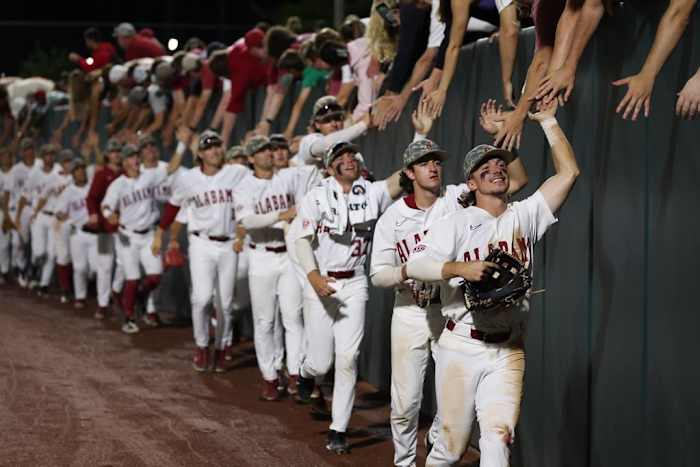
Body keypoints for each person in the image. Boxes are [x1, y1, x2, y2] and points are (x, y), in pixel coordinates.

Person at [405, 100, 579, 466]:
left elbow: (568, 174)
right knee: (450, 450)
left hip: (509, 349)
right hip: (461, 346)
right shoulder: (456, 222)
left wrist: (548, 121)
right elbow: (416, 264)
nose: (497, 169)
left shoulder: (525, 215)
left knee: (499, 440)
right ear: (471, 182)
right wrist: (458, 269)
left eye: (501, 165)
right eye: (486, 168)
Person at [370, 98, 528, 467]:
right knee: (406, 401)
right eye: (426, 163)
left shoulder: (457, 198)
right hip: (410, 310)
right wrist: (408, 271)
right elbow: (378, 275)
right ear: (409, 172)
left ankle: (440, 447)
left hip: (450, 312)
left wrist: (501, 140)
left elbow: (517, 181)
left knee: (450, 404)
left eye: (437, 162)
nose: (434, 168)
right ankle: (405, 462)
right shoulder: (392, 219)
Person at [292, 139, 403, 454]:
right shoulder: (316, 196)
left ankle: (338, 429)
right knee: (319, 362)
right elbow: (302, 239)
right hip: (321, 281)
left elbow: (400, 179)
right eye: (340, 156)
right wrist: (313, 276)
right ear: (329, 167)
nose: (348, 158)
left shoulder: (370, 191)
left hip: (354, 284)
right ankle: (305, 372)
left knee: (348, 359)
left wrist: (420, 137)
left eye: (351, 154)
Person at [154, 130, 251, 370]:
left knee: (226, 303)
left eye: (217, 145)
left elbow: (263, 180)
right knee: (202, 298)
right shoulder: (188, 179)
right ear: (199, 154)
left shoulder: (236, 173)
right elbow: (173, 207)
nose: (215, 150)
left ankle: (220, 348)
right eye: (208, 147)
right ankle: (201, 345)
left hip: (230, 243)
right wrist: (163, 234)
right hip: (201, 242)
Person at [236, 135, 320, 400]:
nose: (267, 153)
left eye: (269, 149)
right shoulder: (244, 186)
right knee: (265, 321)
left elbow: (313, 167)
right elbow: (246, 220)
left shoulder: (288, 176)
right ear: (251, 158)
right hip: (260, 256)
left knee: (293, 316)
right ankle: (270, 376)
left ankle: (294, 373)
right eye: (260, 150)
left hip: (287, 256)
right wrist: (280, 216)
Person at [101, 140, 184, 334]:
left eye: (136, 156)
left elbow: (171, 168)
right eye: (130, 157)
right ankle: (129, 317)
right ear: (124, 163)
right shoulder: (118, 184)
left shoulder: (149, 176)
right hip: (127, 237)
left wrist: (181, 145)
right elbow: (106, 205)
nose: (135, 159)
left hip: (148, 235)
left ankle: (139, 297)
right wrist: (108, 215)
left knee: (155, 276)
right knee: (132, 277)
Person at [86, 138, 124, 319]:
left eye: (119, 151)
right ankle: (102, 304)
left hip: (125, 226)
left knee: (124, 264)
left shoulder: (127, 173)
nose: (116, 154)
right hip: (104, 227)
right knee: (105, 266)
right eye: (113, 151)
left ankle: (116, 292)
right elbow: (91, 198)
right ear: (108, 155)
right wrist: (93, 213)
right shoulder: (102, 174)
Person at [29, 148, 74, 300]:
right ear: (62, 163)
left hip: (57, 220)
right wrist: (35, 213)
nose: (69, 164)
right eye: (66, 161)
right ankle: (34, 267)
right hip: (42, 216)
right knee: (39, 252)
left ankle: (44, 284)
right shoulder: (53, 178)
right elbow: (43, 197)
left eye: (70, 161)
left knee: (52, 253)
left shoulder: (75, 178)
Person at [55, 157, 95, 309]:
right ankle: (80, 296)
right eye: (77, 170)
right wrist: (62, 216)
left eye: (82, 169)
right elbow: (58, 211)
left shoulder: (92, 186)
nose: (81, 172)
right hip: (78, 232)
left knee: (95, 268)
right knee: (79, 267)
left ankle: (97, 292)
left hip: (96, 233)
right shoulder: (68, 191)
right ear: (72, 173)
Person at [294, 95, 372, 166]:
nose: (334, 124)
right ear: (317, 124)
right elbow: (326, 145)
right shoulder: (309, 140)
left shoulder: (349, 143)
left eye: (337, 119)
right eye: (327, 120)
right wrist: (363, 124)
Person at [2, 138, 39, 286]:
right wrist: (6, 215)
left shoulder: (40, 165)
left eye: (30, 148)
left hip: (37, 208)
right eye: (25, 149)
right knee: (18, 242)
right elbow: (7, 193)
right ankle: (20, 267)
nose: (28, 151)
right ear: (22, 152)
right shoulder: (16, 169)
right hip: (20, 209)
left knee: (36, 244)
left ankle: (31, 271)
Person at [0, 147, 13, 283]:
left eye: (8, 156)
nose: (6, 158)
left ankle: (5, 270)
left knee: (7, 244)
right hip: (2, 211)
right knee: (2, 244)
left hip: (14, 211)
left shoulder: (15, 172)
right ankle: (3, 270)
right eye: (3, 156)